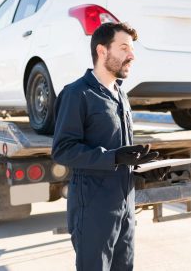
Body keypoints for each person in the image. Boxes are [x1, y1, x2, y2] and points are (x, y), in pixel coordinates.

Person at [52, 22, 158, 271]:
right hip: (93, 209)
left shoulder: (121, 94)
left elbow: (122, 154)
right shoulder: (77, 93)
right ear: (102, 51)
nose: (131, 55)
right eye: (123, 48)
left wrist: (144, 171)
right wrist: (113, 157)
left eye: (131, 49)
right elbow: (63, 150)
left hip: (125, 205)